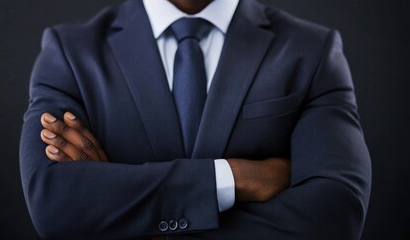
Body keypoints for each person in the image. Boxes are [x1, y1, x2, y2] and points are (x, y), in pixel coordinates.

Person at [19, 0, 371, 239]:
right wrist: (234, 177)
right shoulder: (69, 50)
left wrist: (128, 217)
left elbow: (336, 213)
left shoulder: (311, 49)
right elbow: (55, 204)